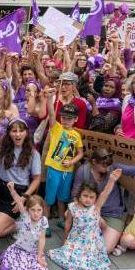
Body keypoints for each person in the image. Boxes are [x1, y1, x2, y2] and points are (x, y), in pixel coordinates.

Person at [71, 147, 135, 251]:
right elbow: (75, 197)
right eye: (104, 166)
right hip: (89, 211)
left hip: (113, 213)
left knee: (105, 249)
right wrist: (93, 214)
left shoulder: (114, 167)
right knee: (80, 245)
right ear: (94, 162)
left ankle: (113, 235)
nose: (108, 169)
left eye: (109, 165)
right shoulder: (83, 171)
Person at [47, 173, 120, 270]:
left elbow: (105, 193)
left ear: (95, 198)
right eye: (85, 196)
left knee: (90, 263)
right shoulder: (72, 207)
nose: (88, 199)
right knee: (68, 257)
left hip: (91, 242)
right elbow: (68, 224)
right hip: (76, 239)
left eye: (91, 197)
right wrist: (65, 240)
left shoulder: (96, 207)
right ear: (79, 196)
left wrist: (111, 180)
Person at [0, 119, 41, 237]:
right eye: (14, 131)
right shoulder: (3, 146)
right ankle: (19, 221)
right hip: (0, 191)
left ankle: (25, 222)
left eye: (21, 131)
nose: (18, 134)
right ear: (9, 133)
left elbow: (37, 179)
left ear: (26, 133)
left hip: (17, 194)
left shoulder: (33, 153)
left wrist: (23, 198)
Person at [43, 94, 84, 226]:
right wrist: (50, 99)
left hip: (68, 171)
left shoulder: (77, 135)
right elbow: (50, 112)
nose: (66, 121)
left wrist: (72, 162)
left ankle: (61, 219)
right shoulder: (56, 128)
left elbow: (80, 153)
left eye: (69, 118)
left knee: (63, 197)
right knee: (49, 197)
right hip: (54, 169)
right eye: (64, 117)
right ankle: (44, 222)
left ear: (76, 119)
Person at [0, 184, 48, 270]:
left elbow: (42, 239)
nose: (36, 213)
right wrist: (12, 190)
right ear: (28, 209)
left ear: (42, 210)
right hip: (20, 249)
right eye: (33, 210)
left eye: (39, 210)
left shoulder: (43, 220)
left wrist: (39, 256)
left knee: (39, 269)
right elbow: (18, 200)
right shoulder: (25, 216)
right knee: (20, 269)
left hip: (32, 251)